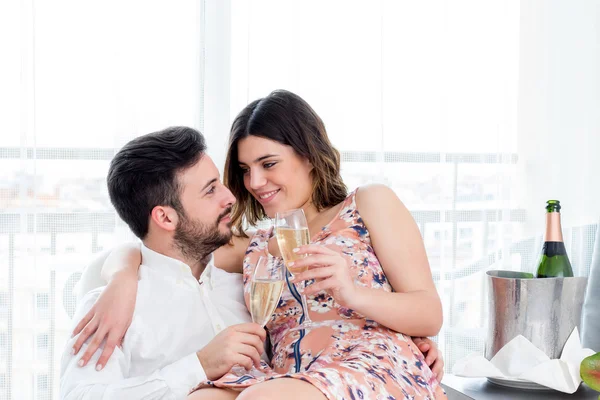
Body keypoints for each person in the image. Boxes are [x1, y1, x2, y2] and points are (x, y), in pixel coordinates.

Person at [72, 90, 446, 399]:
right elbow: (162, 244)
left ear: (309, 154)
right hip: (287, 377)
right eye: (245, 169)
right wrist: (122, 279)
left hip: (367, 362)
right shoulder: (254, 246)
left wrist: (353, 294)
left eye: (268, 164)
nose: (254, 182)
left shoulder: (367, 204)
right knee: (199, 396)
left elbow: (429, 311)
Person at [59, 127, 268, 398]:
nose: (230, 198)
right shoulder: (113, 310)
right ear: (166, 218)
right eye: (210, 190)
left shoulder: (250, 281)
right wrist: (200, 365)